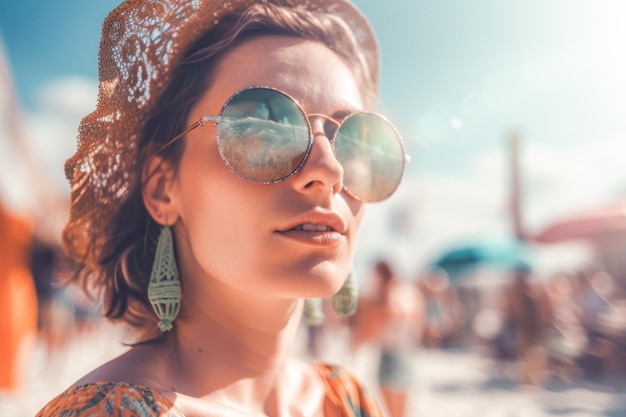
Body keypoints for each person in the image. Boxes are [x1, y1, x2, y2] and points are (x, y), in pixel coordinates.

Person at [36, 0, 409, 415]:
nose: (330, 170)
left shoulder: (348, 399)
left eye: (354, 140)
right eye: (265, 127)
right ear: (163, 189)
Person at [351, 260, 425, 417]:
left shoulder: (388, 293)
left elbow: (377, 322)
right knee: (401, 404)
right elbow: (418, 319)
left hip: (391, 351)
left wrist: (359, 342)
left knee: (392, 407)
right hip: (406, 350)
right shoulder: (408, 290)